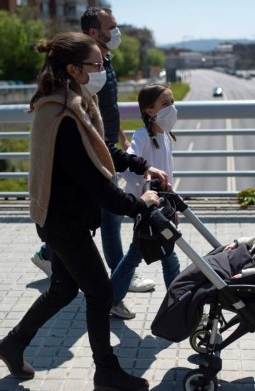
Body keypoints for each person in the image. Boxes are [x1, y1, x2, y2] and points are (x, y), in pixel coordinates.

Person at [0, 32, 158, 391]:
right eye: (96, 65)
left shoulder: (77, 101)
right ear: (72, 68)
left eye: (102, 64)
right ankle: (106, 371)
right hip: (62, 219)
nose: (102, 70)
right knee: (99, 293)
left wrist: (141, 166)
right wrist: (136, 205)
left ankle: (12, 345)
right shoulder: (61, 113)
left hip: (64, 217)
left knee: (65, 289)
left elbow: (101, 150)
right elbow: (93, 181)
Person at [31, 7, 160, 293]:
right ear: (94, 32)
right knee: (109, 219)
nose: (117, 32)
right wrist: (138, 204)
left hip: (103, 146)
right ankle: (118, 277)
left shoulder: (100, 66)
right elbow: (86, 160)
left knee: (63, 291)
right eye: (111, 26)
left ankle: (51, 254)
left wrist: (122, 143)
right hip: (75, 198)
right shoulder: (70, 102)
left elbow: (105, 112)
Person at [109, 84, 181, 319]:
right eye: (165, 104)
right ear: (149, 110)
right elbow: (128, 164)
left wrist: (173, 208)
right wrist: (144, 190)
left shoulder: (165, 136)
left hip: (161, 209)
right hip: (148, 210)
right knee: (164, 257)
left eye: (172, 102)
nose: (172, 108)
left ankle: (110, 301)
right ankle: (176, 306)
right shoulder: (143, 135)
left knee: (138, 256)